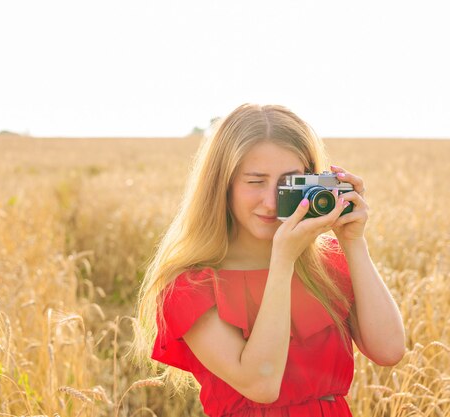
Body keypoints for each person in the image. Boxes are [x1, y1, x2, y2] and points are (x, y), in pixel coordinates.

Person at [132, 103, 406, 417]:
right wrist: (282, 263)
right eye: (255, 181)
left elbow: (389, 350)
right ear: (223, 185)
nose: (271, 201)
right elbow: (261, 386)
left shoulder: (327, 265)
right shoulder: (190, 287)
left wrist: (352, 241)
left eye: (289, 183)